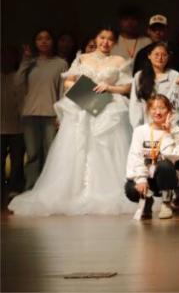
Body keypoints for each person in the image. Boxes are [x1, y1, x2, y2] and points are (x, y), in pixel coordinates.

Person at [9, 28, 133, 216]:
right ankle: (73, 191)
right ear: (96, 38)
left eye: (110, 39)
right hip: (83, 105)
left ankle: (103, 189)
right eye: (102, 37)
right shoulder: (82, 58)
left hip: (108, 107)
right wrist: (83, 87)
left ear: (114, 42)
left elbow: (126, 87)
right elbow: (68, 81)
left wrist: (109, 87)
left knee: (105, 148)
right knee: (77, 148)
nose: (105, 42)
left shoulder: (119, 60)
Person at [17, 30, 68, 190]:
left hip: (51, 115)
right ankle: (31, 187)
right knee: (32, 154)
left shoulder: (61, 63)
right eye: (39, 39)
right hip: (30, 114)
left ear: (53, 41)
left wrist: (61, 115)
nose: (44, 41)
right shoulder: (30, 63)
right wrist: (25, 61)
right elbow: (17, 83)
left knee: (50, 154)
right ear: (35, 42)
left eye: (47, 38)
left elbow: (63, 92)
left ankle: (48, 188)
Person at [125, 94, 179, 220]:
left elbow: (174, 156)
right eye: (154, 108)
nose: (158, 112)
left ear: (169, 111)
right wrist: (141, 179)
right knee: (130, 189)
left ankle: (166, 203)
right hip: (147, 175)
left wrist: (167, 133)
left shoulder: (177, 131)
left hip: (166, 176)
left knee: (165, 164)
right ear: (148, 110)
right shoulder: (140, 131)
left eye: (162, 108)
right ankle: (147, 201)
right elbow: (136, 156)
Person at [129, 42, 179, 129]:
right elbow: (135, 103)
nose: (160, 58)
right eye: (157, 54)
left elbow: (176, 105)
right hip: (145, 124)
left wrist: (178, 86)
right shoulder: (139, 76)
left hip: (167, 124)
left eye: (164, 55)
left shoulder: (174, 75)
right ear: (149, 55)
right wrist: (137, 127)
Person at [1, 46, 25, 194]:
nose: (6, 59)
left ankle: (15, 187)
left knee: (17, 161)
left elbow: (22, 101)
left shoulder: (19, 77)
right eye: (3, 56)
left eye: (10, 56)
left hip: (18, 126)